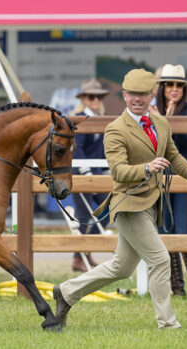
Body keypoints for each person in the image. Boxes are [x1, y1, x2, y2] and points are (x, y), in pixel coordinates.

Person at [53, 69, 187, 330]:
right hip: (128, 204)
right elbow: (119, 171)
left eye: (142, 94)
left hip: (150, 204)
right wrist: (147, 167)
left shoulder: (161, 124)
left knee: (120, 268)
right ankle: (168, 324)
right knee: (160, 259)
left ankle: (65, 293)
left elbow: (173, 155)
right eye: (132, 94)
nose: (137, 99)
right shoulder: (115, 129)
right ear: (124, 96)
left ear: (151, 96)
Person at [154, 64, 187, 296]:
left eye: (179, 85)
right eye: (170, 85)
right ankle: (177, 288)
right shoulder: (151, 110)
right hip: (160, 176)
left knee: (185, 229)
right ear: (162, 87)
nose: (175, 89)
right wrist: (163, 118)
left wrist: (168, 120)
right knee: (166, 230)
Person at [71, 78, 109, 272]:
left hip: (97, 173)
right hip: (80, 173)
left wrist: (106, 170)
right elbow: (76, 148)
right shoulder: (78, 117)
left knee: (107, 209)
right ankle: (78, 258)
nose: (96, 100)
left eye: (99, 97)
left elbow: (101, 150)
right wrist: (85, 170)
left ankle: (86, 252)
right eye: (92, 96)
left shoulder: (100, 118)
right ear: (84, 98)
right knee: (84, 215)